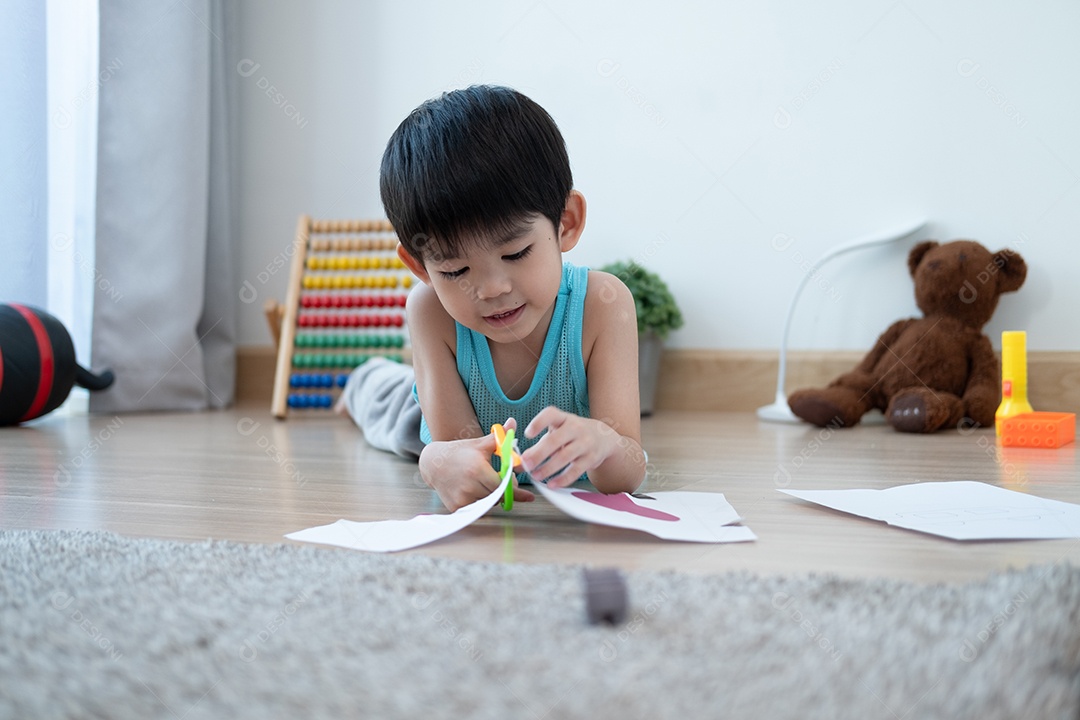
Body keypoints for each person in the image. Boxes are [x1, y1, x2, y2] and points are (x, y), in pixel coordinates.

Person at [342, 84, 646, 511]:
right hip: (414, 414)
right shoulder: (430, 310)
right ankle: (360, 382)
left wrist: (607, 445)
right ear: (420, 267)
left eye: (516, 253)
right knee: (383, 402)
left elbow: (628, 471)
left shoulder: (605, 304)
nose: (491, 289)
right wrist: (436, 461)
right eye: (455, 272)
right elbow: (456, 452)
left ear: (566, 223)